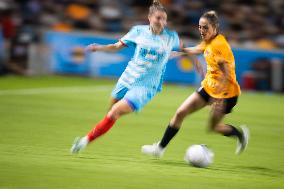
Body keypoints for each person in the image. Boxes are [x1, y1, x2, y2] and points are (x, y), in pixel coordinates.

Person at [70, 0, 182, 154]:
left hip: (146, 86)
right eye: (158, 18)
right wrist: (99, 47)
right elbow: (117, 46)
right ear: (149, 18)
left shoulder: (171, 37)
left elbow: (186, 50)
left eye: (164, 19)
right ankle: (99, 131)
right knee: (110, 113)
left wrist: (196, 60)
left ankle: (84, 141)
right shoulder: (138, 31)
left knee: (114, 112)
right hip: (128, 77)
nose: (161, 22)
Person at [141, 11, 249, 157]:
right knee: (180, 113)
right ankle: (159, 149)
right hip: (209, 87)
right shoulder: (209, 40)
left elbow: (227, 74)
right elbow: (197, 49)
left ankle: (239, 134)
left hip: (226, 93)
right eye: (200, 27)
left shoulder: (219, 45)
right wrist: (179, 51)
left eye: (205, 28)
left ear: (215, 27)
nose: (202, 31)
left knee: (213, 127)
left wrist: (219, 98)